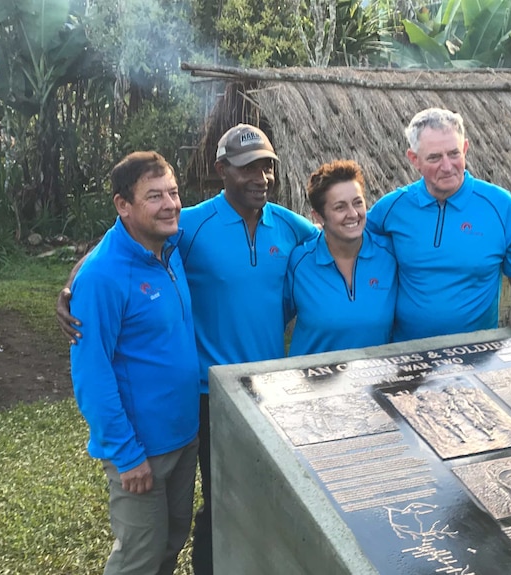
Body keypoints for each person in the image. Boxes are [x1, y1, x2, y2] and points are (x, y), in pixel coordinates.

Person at [58, 125, 317, 575]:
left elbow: (334, 233)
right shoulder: (190, 225)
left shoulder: (285, 226)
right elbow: (118, 242)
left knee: (214, 515)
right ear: (221, 171)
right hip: (206, 398)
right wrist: (71, 285)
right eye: (246, 168)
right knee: (196, 516)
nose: (260, 176)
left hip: (266, 396)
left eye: (266, 165)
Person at [69, 151, 200, 575]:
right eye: (154, 196)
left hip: (183, 436)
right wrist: (126, 454)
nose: (171, 204)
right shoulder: (104, 275)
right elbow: (91, 372)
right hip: (141, 448)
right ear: (122, 205)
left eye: (174, 192)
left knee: (172, 540)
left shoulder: (169, 244)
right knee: (139, 557)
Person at [367, 108, 511, 345]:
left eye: (454, 154)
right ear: (414, 159)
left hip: (475, 353)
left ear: (465, 149)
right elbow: (348, 238)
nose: (447, 166)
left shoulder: (500, 205)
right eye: (434, 157)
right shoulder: (392, 208)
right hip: (406, 354)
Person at [285, 160, 397, 355]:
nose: (353, 214)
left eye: (358, 203)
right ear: (318, 217)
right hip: (313, 383)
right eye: (340, 207)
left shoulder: (391, 255)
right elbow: (270, 323)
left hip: (375, 382)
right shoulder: (299, 263)